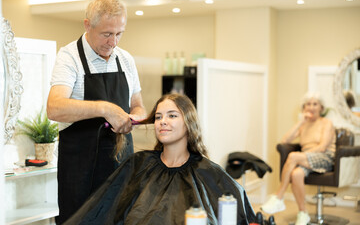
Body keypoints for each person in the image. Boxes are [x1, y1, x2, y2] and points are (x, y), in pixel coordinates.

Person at [64, 94, 256, 225]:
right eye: (158, 117)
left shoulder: (209, 173)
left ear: (188, 123)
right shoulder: (138, 165)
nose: (163, 121)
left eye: (172, 115)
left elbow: (241, 213)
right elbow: (104, 212)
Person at [46, 0, 146, 224]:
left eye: (119, 34)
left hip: (121, 167)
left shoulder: (126, 60)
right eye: (106, 34)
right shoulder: (69, 57)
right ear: (87, 25)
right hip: (80, 173)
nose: (113, 42)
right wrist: (104, 108)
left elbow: (138, 104)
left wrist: (137, 116)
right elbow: (54, 107)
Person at [260, 92, 336, 225]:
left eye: (315, 104)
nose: (311, 107)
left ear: (321, 108)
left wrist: (300, 156)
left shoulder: (326, 123)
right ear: (304, 108)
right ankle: (303, 213)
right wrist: (301, 122)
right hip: (307, 159)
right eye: (308, 104)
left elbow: (323, 147)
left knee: (293, 156)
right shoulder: (303, 125)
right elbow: (285, 140)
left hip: (325, 158)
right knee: (296, 174)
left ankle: (278, 197)